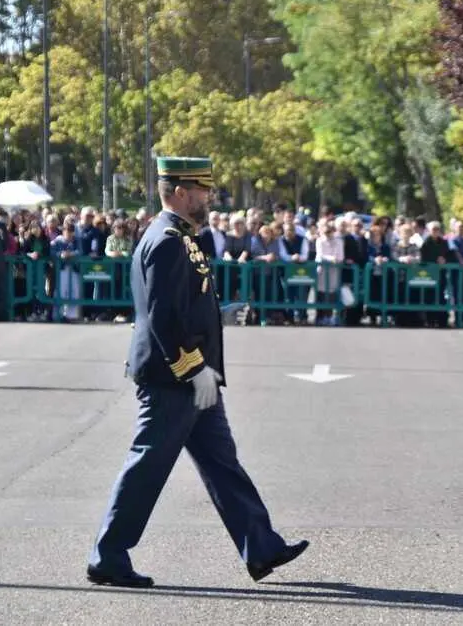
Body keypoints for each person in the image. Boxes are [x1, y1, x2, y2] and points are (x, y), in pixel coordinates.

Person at [87, 156, 308, 588]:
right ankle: (108, 555)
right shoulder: (168, 239)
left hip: (192, 375)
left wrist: (215, 316)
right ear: (180, 192)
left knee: (222, 462)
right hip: (176, 378)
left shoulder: (183, 237)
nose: (209, 198)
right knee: (147, 466)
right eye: (203, 191)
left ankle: (261, 547)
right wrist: (194, 369)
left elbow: (181, 304)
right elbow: (162, 316)